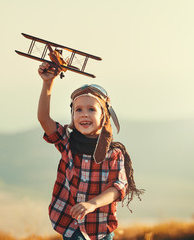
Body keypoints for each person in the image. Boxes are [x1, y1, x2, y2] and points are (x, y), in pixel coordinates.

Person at [38, 63, 144, 240]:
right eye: (78, 109)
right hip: (70, 224)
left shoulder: (113, 153)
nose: (84, 114)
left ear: (104, 116)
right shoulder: (67, 143)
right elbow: (43, 119)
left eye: (91, 109)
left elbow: (118, 187)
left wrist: (92, 204)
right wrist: (47, 83)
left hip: (100, 227)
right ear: (72, 115)